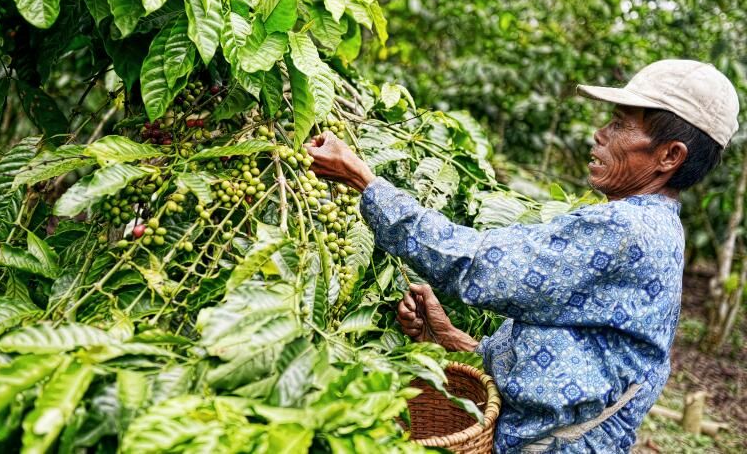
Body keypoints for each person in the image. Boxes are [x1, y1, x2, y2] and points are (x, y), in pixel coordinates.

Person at [305, 60, 739, 453]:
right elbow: (581, 353)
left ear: (669, 156)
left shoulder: (627, 229)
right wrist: (451, 338)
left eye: (620, 124)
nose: (600, 134)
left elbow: (475, 263)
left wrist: (364, 181)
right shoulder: (656, 224)